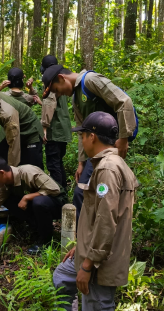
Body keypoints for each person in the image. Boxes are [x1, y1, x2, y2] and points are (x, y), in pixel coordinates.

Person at [52, 112, 138, 311]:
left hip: (100, 263)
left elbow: (106, 221)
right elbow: (97, 215)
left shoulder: (108, 171)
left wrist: (88, 264)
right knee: (62, 277)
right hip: (90, 253)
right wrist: (80, 247)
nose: (80, 140)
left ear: (91, 136)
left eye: (81, 135)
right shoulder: (103, 166)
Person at [42, 64, 137, 218]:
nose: (60, 94)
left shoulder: (90, 80)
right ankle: (86, 235)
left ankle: (93, 235)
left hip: (110, 148)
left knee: (92, 193)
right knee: (85, 193)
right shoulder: (75, 97)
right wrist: (82, 162)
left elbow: (123, 101)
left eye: (57, 90)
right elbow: (82, 130)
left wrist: (123, 138)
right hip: (94, 153)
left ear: (61, 78)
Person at [0, 156, 66, 254]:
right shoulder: (4, 186)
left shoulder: (28, 172)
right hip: (39, 206)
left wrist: (27, 197)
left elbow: (54, 190)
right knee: (8, 200)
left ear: (2, 173)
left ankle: (46, 241)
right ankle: (36, 229)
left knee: (39, 201)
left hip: (58, 203)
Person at [0, 78, 44, 168]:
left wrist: (12, 170)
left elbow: (13, 143)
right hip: (15, 129)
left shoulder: (7, 112)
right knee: (0, 159)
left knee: (33, 168)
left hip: (31, 132)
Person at [40, 55, 72, 189]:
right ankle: (63, 191)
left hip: (55, 130)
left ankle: (58, 194)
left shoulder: (52, 82)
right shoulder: (61, 80)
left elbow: (49, 103)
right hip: (63, 129)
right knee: (58, 163)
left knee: (53, 165)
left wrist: (44, 127)